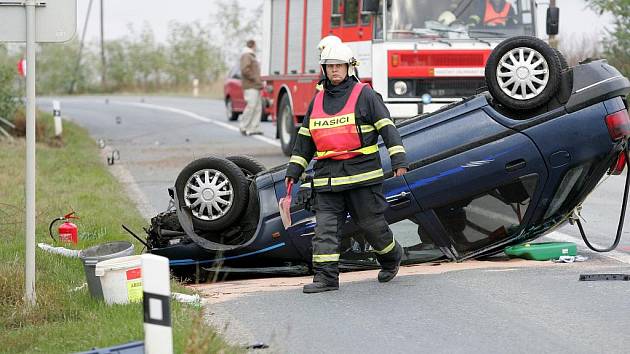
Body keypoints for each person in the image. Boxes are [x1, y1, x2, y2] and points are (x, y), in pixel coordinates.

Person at [285, 42, 408, 294]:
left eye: (339, 66)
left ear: (350, 67)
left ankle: (391, 256)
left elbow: (388, 128)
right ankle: (326, 278)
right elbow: (304, 142)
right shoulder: (317, 101)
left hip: (362, 177)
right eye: (330, 66)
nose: (334, 71)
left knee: (372, 227)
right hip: (328, 179)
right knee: (325, 229)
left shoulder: (365, 95)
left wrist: (399, 160)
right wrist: (293, 172)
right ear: (324, 69)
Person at [239, 39, 263, 136]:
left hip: (255, 86)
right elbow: (245, 70)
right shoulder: (247, 55)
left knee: (257, 108)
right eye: (255, 45)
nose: (256, 47)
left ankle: (253, 128)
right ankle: (243, 126)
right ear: (252, 45)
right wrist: (255, 79)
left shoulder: (251, 55)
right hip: (250, 86)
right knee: (251, 106)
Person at [438, 0, 516, 27]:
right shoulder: (483, 5)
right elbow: (476, 16)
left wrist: (502, 24)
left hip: (504, 37)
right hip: (485, 36)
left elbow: (513, 24)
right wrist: (471, 24)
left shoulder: (509, 8)